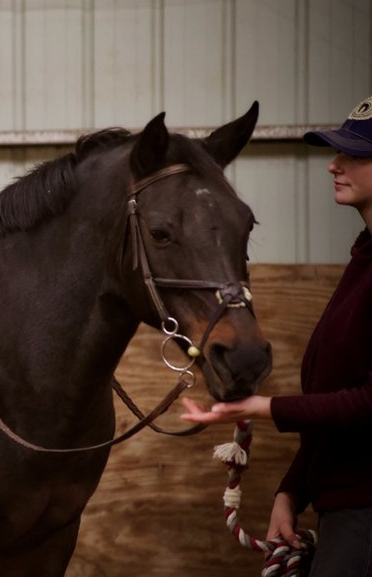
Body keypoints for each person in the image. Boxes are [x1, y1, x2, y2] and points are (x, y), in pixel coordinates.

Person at [180, 94, 372, 577]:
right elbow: (334, 401)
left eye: (355, 155)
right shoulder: (362, 262)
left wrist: (263, 408)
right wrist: (292, 490)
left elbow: (369, 404)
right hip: (346, 507)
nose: (334, 165)